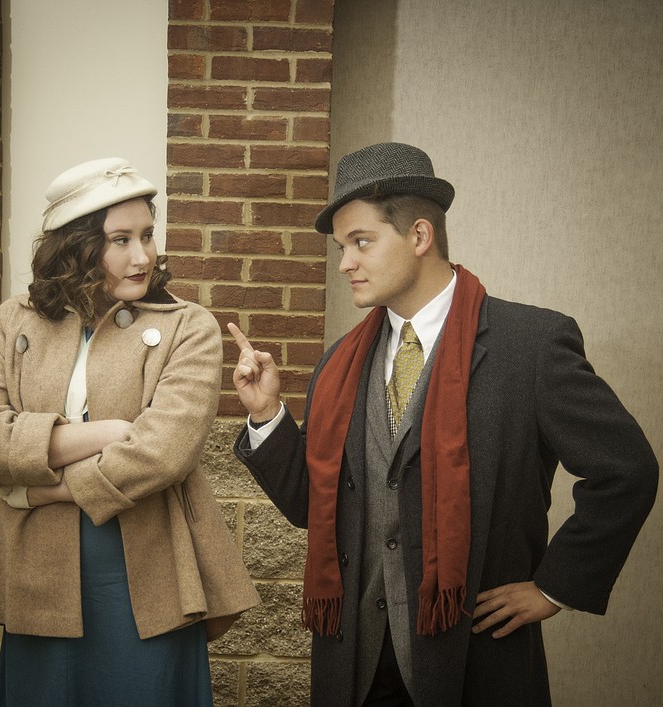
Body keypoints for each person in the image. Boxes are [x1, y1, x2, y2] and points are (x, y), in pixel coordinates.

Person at [229, 142, 658, 707]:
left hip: (475, 662)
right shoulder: (339, 363)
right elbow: (315, 507)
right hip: (354, 664)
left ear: (419, 236)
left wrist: (556, 586)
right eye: (341, 247)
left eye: (361, 242)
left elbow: (625, 470)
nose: (344, 264)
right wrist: (266, 415)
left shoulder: (530, 346)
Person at [0, 157, 259, 706]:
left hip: (147, 569)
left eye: (147, 235)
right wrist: (107, 432)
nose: (143, 256)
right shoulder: (14, 321)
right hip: (36, 572)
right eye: (120, 239)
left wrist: (36, 488)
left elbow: (165, 452)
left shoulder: (188, 327)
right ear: (74, 248)